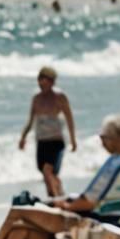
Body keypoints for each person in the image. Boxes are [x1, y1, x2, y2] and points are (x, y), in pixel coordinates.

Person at [0, 114, 120, 239]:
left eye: (104, 137)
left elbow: (87, 202)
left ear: (117, 138)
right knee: (20, 230)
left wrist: (61, 205)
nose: (102, 141)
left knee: (19, 211)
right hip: (114, 225)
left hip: (94, 226)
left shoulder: (116, 163)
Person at [19, 67, 77, 198]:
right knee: (47, 174)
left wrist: (73, 140)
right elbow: (31, 120)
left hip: (56, 141)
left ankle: (56, 200)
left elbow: (69, 118)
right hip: (41, 141)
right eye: (39, 80)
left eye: (44, 81)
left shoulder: (60, 97)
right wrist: (23, 137)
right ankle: (57, 194)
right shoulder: (36, 98)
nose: (40, 84)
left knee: (47, 170)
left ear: (52, 82)